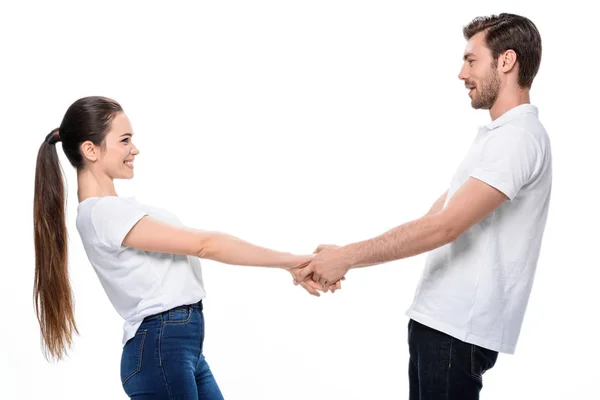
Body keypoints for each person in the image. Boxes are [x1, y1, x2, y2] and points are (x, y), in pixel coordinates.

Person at [293, 13, 551, 399]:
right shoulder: (499, 138)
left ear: (506, 61)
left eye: (471, 60)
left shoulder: (516, 140)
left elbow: (443, 228)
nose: (461, 73)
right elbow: (434, 218)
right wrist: (342, 257)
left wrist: (346, 257)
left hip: (456, 331)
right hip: (442, 327)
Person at [33, 96, 340, 399]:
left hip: (178, 346)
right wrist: (292, 261)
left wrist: (291, 263)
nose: (134, 149)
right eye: (124, 140)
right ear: (91, 149)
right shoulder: (103, 214)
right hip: (161, 345)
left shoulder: (114, 211)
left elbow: (204, 245)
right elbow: (206, 245)